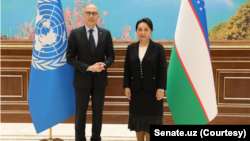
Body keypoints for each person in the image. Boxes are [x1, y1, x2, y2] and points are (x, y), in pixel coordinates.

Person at [66, 4, 115, 141]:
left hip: (100, 80)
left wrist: (103, 65)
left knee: (98, 113)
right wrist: (88, 67)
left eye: (94, 13)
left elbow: (111, 56)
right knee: (80, 114)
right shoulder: (75, 33)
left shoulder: (105, 34)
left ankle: (96, 138)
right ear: (83, 15)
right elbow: (69, 58)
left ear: (98, 16)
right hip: (82, 80)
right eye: (88, 13)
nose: (91, 15)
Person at [123, 18, 167, 141]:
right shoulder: (131, 48)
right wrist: (126, 86)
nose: (143, 32)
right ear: (136, 31)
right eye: (140, 29)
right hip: (136, 92)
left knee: (151, 123)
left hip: (153, 92)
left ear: (151, 31)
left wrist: (161, 88)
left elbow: (162, 70)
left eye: (146, 30)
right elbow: (127, 69)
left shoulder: (158, 48)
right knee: (138, 121)